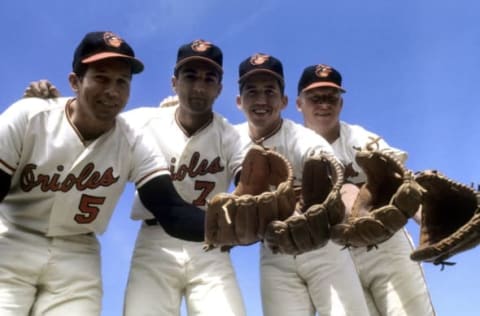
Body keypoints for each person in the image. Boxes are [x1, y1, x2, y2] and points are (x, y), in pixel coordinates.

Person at [0, 31, 206, 316]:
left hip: (77, 257)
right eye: (101, 78)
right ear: (75, 81)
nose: (113, 91)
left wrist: (237, 223)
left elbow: (171, 211)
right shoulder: (30, 116)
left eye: (122, 82)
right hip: (11, 243)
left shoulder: (133, 140)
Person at [234, 53, 370, 316]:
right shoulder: (229, 137)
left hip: (323, 246)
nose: (261, 100)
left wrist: (335, 195)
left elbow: (326, 165)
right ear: (239, 101)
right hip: (274, 254)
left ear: (284, 101)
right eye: (252, 92)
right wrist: (171, 108)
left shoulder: (302, 137)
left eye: (270, 91)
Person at [296, 63, 436, 316]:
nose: (324, 104)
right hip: (333, 255)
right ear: (299, 104)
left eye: (331, 97)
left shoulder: (359, 137)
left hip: (386, 244)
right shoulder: (290, 146)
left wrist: (431, 223)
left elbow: (401, 180)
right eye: (315, 98)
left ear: (341, 104)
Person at [121, 40, 247, 316]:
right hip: (155, 244)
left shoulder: (233, 136)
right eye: (190, 76)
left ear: (219, 88)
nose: (199, 87)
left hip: (212, 247)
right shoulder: (143, 121)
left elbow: (247, 182)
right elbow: (94, 117)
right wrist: (50, 102)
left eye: (209, 78)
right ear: (174, 82)